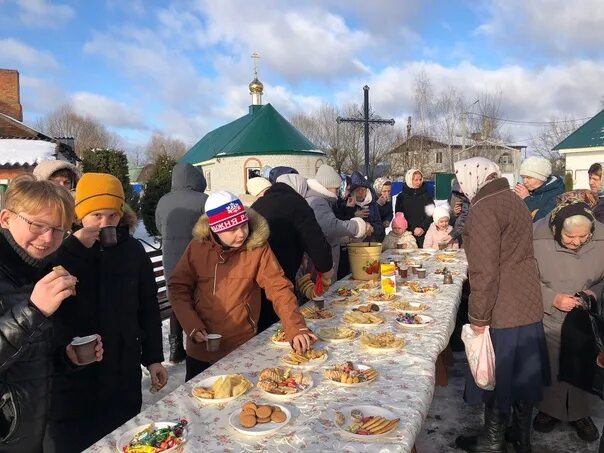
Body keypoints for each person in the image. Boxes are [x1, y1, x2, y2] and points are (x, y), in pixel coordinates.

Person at [46, 173, 166, 453]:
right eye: (96, 215)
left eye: (112, 216)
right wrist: (76, 248)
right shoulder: (63, 252)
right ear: (79, 216)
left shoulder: (133, 251)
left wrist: (153, 359)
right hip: (78, 379)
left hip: (124, 373)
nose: (104, 223)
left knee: (126, 440)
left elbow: (147, 306)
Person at [453, 157, 550, 453]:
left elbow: (484, 272)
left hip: (502, 305)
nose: (460, 186)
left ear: (474, 178)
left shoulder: (484, 208)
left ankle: (493, 439)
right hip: (526, 299)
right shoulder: (512, 199)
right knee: (522, 372)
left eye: (461, 180)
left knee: (496, 371)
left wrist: (479, 318)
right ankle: (521, 437)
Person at [0, 174, 102, 451]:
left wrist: (66, 358)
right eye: (38, 225)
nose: (48, 238)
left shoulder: (45, 268)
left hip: (39, 430)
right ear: (6, 218)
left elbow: (30, 358)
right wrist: (33, 310)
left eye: (59, 229)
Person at [168, 191, 316, 381]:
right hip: (201, 348)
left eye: (243, 225)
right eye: (232, 229)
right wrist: (191, 324)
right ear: (215, 229)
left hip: (240, 345)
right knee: (198, 404)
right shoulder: (197, 248)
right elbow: (178, 287)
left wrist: (295, 326)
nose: (241, 233)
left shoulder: (257, 248)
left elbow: (278, 287)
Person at [531, 197, 604, 442]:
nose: (577, 242)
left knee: (583, 361)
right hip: (550, 314)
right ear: (557, 228)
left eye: (583, 237)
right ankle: (549, 410)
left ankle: (580, 414)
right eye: (570, 237)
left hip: (586, 315)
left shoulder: (602, 235)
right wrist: (551, 298)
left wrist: (595, 292)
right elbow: (523, 278)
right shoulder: (536, 236)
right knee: (551, 361)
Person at [251, 173, 333, 332]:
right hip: (281, 278)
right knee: (281, 327)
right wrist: (326, 271)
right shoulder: (298, 204)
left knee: (262, 332)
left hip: (255, 280)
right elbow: (317, 244)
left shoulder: (257, 206)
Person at [156, 163, 208, 363]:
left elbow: (160, 227)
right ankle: (198, 342)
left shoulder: (163, 201)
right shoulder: (203, 200)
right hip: (197, 258)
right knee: (199, 300)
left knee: (178, 300)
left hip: (170, 259)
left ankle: (175, 347)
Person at [305, 165, 369, 281]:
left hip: (326, 261)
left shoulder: (322, 201)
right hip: (321, 265)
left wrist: (345, 238)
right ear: (328, 186)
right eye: (337, 188)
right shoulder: (317, 202)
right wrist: (357, 226)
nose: (338, 192)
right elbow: (330, 227)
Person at [514, 156, 565, 222]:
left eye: (529, 177)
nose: (524, 181)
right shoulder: (532, 190)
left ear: (541, 177)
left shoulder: (557, 193)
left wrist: (526, 199)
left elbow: (542, 220)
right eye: (523, 177)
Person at [395, 168, 433, 247]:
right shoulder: (401, 197)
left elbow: (431, 214)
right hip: (407, 234)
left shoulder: (427, 196)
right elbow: (399, 216)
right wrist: (413, 228)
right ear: (409, 180)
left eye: (420, 179)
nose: (418, 182)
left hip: (424, 234)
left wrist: (423, 228)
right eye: (416, 180)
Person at [345, 171, 385, 242]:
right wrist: (353, 215)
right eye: (357, 190)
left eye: (363, 190)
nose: (361, 192)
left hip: (370, 244)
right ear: (352, 192)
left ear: (367, 191)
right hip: (353, 245)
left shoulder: (373, 205)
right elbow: (343, 225)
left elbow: (380, 227)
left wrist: (373, 228)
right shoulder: (347, 205)